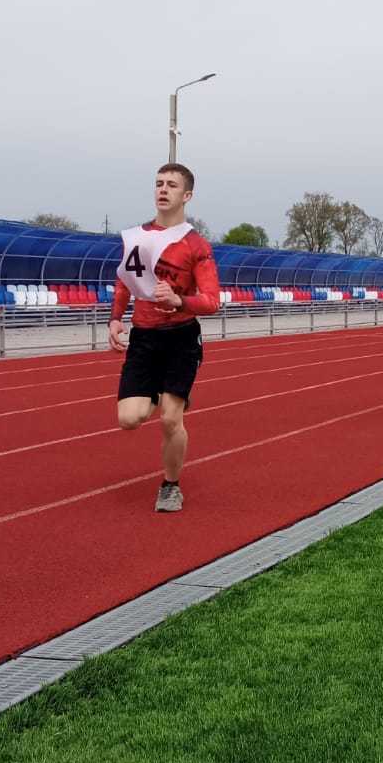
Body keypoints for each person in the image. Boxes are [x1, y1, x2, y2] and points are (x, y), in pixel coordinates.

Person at [108, 163, 221, 511]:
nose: (163, 189)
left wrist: (178, 300)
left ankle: (170, 486)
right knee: (130, 418)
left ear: (186, 195)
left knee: (171, 419)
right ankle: (161, 393)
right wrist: (114, 319)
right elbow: (125, 282)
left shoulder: (196, 245)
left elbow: (212, 300)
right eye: (159, 183)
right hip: (144, 338)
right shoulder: (136, 238)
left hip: (181, 339)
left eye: (172, 185)